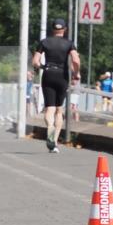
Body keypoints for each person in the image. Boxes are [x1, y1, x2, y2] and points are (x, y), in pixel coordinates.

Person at [31, 18, 80, 153]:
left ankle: (50, 129)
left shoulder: (44, 42)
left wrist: (42, 66)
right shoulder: (69, 44)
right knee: (59, 110)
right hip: (62, 76)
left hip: (48, 74)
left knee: (49, 109)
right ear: (64, 29)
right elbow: (76, 60)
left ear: (53, 29)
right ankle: (55, 144)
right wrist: (76, 73)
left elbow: (35, 61)